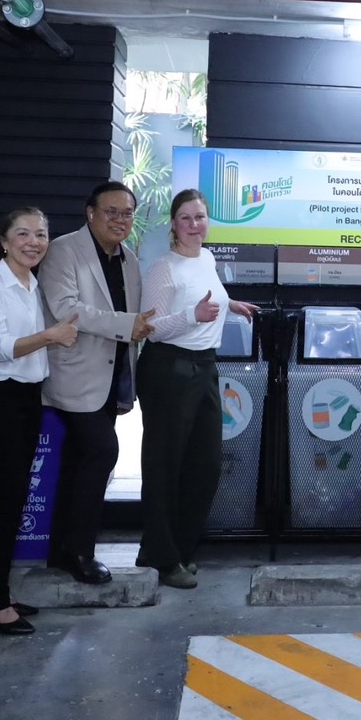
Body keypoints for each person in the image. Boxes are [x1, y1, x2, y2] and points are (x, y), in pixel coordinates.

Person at [135, 190, 258, 588]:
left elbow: (206, 295)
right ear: (173, 223)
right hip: (169, 368)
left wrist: (230, 304)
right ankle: (160, 557)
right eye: (185, 217)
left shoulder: (206, 258)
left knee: (204, 466)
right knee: (165, 466)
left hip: (204, 366)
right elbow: (151, 328)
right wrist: (193, 315)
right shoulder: (163, 268)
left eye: (200, 217)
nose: (193, 224)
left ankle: (179, 550)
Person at [0, 207, 79, 633]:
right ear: (4, 241)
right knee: (0, 500)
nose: (34, 242)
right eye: (23, 234)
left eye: (41, 234)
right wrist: (51, 336)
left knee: (12, 499)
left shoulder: (32, 283)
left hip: (27, 397)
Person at [39, 181, 154, 584]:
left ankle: (60, 550)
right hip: (73, 375)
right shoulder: (63, 250)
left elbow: (136, 323)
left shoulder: (131, 261)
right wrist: (127, 325)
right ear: (91, 213)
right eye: (111, 211)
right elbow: (66, 309)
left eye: (127, 213)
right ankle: (80, 552)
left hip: (111, 378)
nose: (120, 220)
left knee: (78, 462)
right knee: (103, 452)